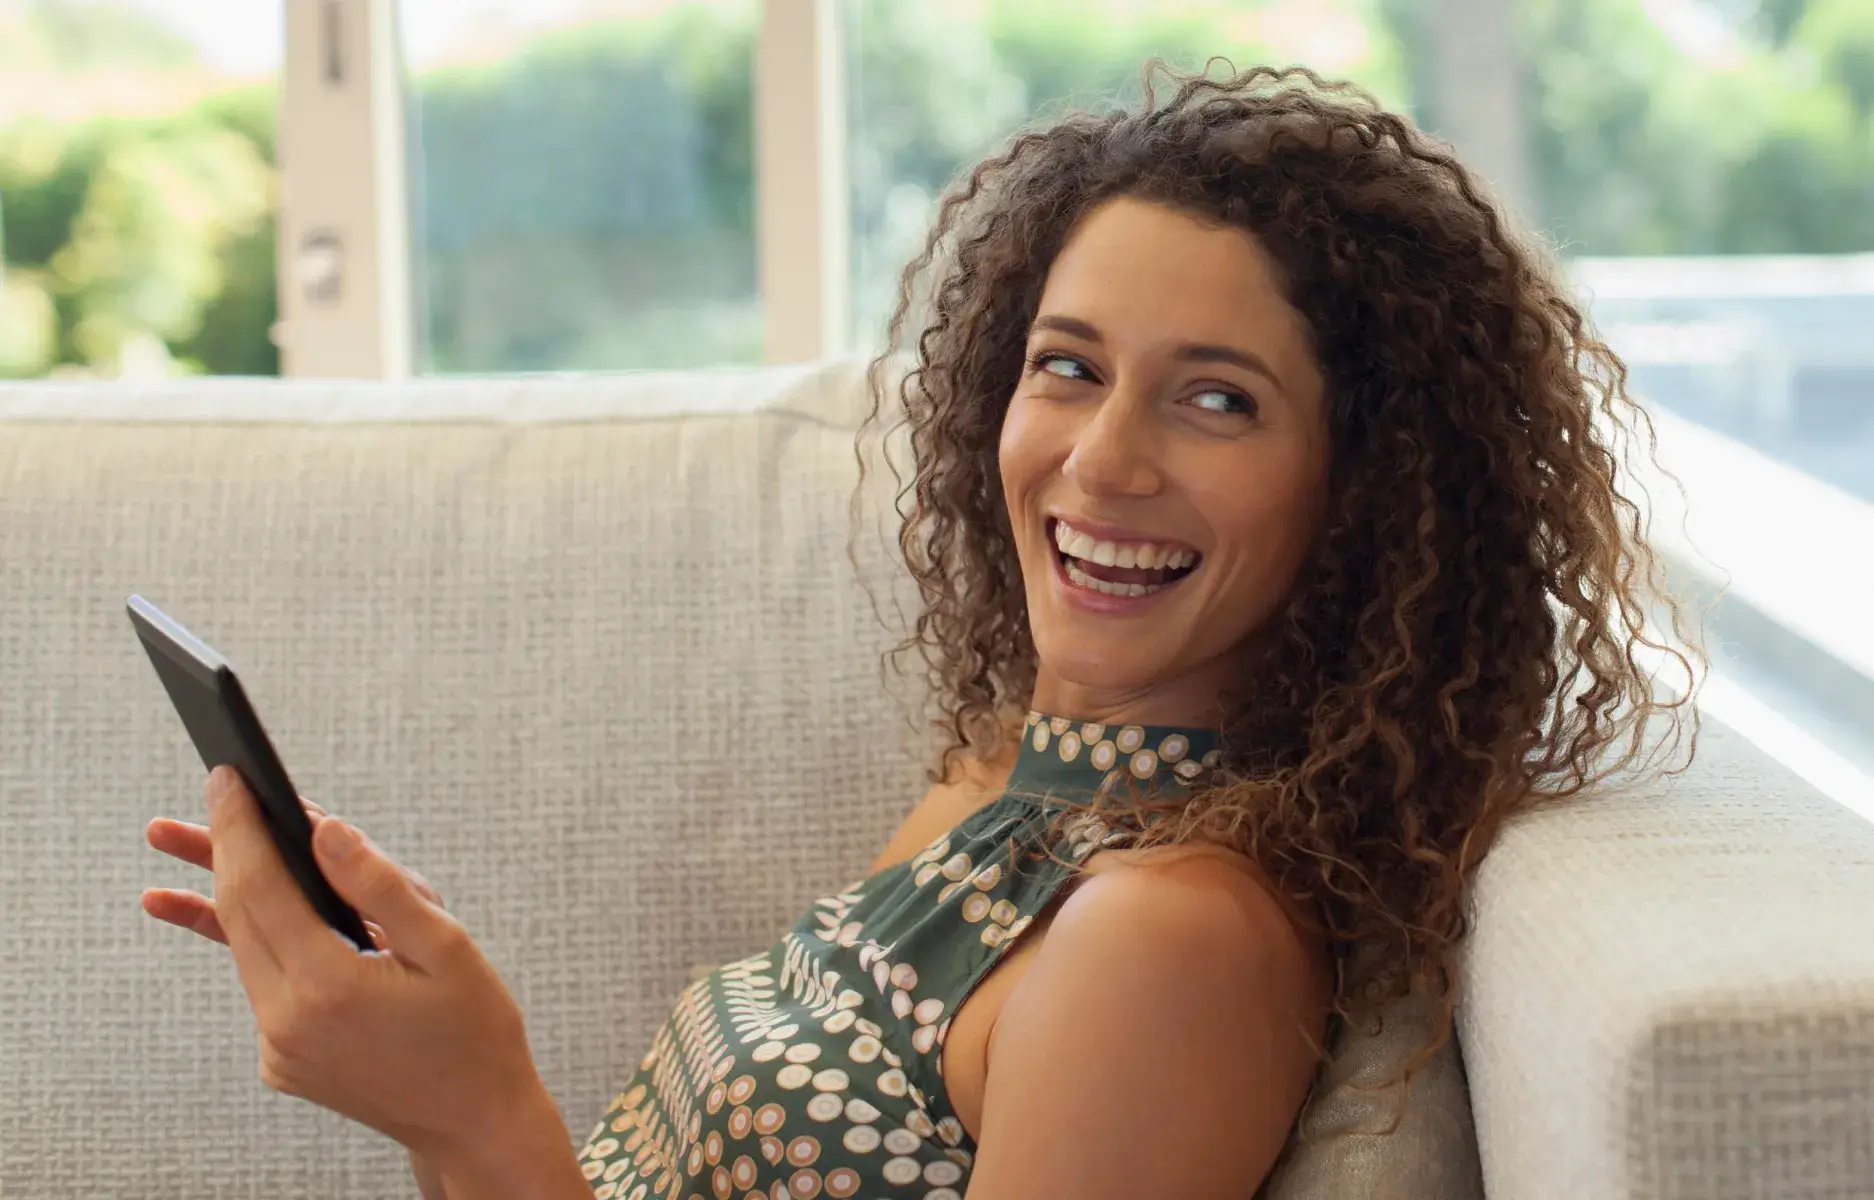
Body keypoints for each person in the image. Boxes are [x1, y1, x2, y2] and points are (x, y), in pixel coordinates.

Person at [138, 64, 1696, 1200]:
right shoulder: (1010, 789)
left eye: (1217, 399)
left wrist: (471, 1116)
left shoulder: (1173, 937)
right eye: (1067, 367)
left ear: (1363, 491)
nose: (1099, 462)